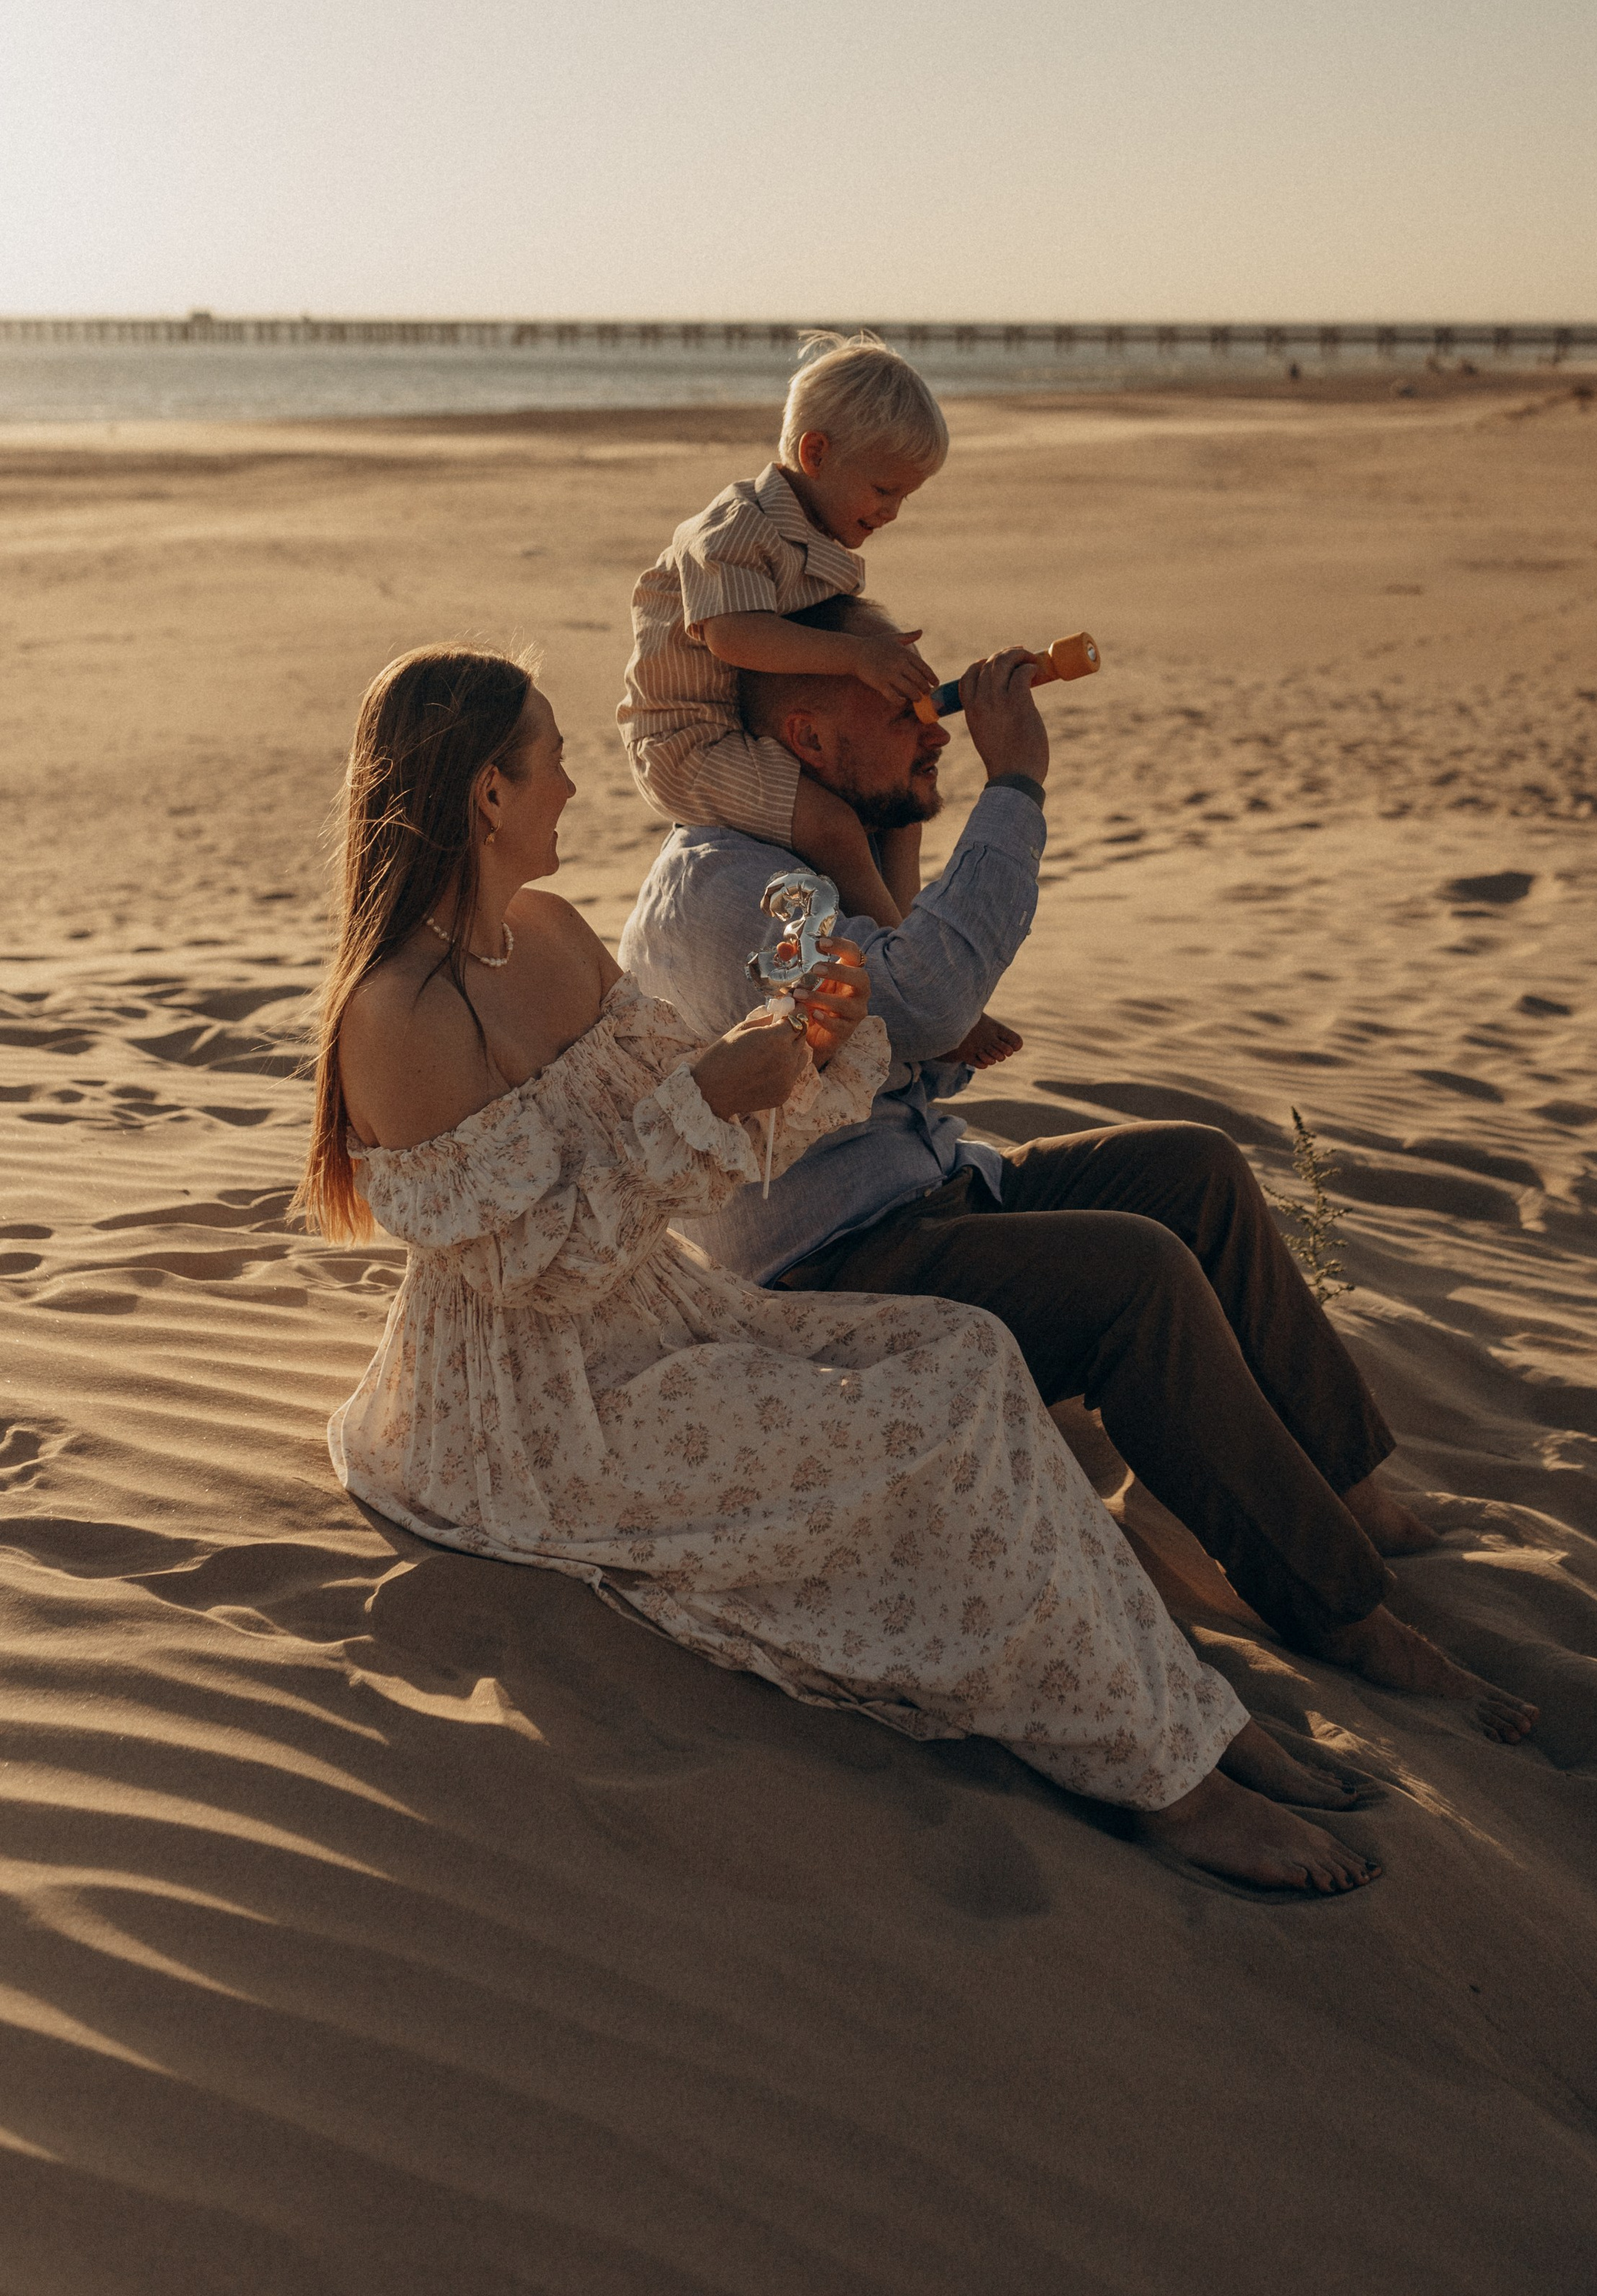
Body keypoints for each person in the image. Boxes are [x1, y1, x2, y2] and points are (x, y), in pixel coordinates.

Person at [307, 642, 1383, 1897]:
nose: (575, 791)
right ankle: (1171, 1781)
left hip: (658, 1312)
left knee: (968, 1354)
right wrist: (706, 1097)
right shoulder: (393, 1015)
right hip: (539, 1410)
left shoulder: (547, 929)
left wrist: (806, 1044)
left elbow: (692, 1115)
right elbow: (528, 1266)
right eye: (550, 763)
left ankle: (1180, 1709)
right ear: (488, 794)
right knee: (921, 1426)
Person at [620, 599, 1539, 1744]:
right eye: (901, 705)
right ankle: (1339, 1608)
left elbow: (906, 1068)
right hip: (831, 1269)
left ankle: (1346, 1488)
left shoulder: (813, 854)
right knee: (1134, 1275)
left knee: (1192, 1174)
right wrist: (1014, 790)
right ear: (806, 739)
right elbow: (926, 1007)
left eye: (933, 699)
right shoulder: (738, 889)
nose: (937, 723)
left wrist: (906, 821)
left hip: (928, 1193)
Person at [617, 329, 947, 929]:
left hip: (760, 723)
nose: (892, 511)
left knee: (901, 813)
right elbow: (735, 636)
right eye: (883, 489)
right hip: (691, 744)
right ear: (815, 453)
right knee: (832, 826)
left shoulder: (824, 542)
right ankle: (894, 958)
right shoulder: (735, 528)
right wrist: (855, 656)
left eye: (906, 496)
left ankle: (908, 937)